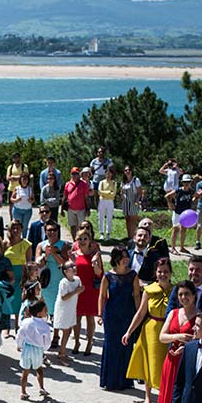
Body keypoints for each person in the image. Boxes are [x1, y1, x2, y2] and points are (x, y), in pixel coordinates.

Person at [153, 280, 199, 403]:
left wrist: (187, 347)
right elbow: (162, 337)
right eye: (180, 294)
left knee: (184, 401)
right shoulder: (173, 313)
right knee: (168, 399)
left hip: (188, 362)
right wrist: (179, 336)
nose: (184, 297)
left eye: (187, 294)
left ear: (194, 295)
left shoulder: (199, 315)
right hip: (171, 361)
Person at [98, 246, 139, 388]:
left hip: (128, 314)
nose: (126, 259)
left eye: (127, 256)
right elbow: (102, 296)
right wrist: (100, 314)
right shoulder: (108, 276)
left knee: (126, 346)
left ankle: (126, 381)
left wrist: (139, 312)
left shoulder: (133, 275)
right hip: (111, 315)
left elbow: (136, 296)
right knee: (111, 346)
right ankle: (109, 380)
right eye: (122, 257)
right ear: (116, 259)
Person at [72, 225, 104, 356]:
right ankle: (77, 341)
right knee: (77, 318)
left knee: (90, 318)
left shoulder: (95, 254)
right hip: (78, 289)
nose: (82, 241)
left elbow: (100, 274)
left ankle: (90, 342)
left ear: (90, 240)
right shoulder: (74, 255)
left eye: (85, 238)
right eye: (80, 238)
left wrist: (96, 266)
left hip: (90, 289)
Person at [17, 300, 52, 400]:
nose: (47, 311)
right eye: (45, 310)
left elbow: (20, 335)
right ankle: (41, 387)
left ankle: (23, 391)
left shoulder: (26, 322)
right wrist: (44, 349)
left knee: (25, 371)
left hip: (27, 348)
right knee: (39, 369)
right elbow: (47, 341)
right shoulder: (45, 326)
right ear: (39, 313)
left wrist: (19, 345)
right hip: (38, 349)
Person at [35, 222, 67, 328]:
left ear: (58, 231)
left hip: (58, 278)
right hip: (46, 280)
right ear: (45, 231)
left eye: (54, 230)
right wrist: (46, 255)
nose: (52, 232)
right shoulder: (41, 245)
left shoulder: (64, 245)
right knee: (45, 303)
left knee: (58, 305)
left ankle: (56, 332)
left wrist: (54, 253)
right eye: (49, 230)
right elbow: (38, 264)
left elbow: (64, 264)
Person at [3, 219, 32, 334]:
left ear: (22, 229)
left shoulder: (26, 244)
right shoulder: (5, 243)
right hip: (7, 273)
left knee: (18, 301)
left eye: (18, 228)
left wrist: (27, 278)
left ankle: (17, 326)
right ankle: (7, 328)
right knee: (7, 300)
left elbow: (29, 262)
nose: (15, 230)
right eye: (13, 228)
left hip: (20, 273)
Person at [53, 262, 83, 364]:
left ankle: (62, 351)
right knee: (66, 331)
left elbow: (80, 289)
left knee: (68, 330)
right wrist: (76, 291)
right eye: (71, 267)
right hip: (63, 309)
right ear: (65, 271)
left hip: (71, 308)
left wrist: (80, 290)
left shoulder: (78, 279)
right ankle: (62, 353)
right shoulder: (63, 282)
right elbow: (64, 297)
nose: (74, 268)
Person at [166, 175, 196, 254]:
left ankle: (182, 247)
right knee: (175, 230)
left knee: (183, 230)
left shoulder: (191, 191)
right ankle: (173, 248)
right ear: (182, 183)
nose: (186, 183)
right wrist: (170, 204)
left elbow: (195, 196)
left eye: (188, 182)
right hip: (177, 213)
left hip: (186, 214)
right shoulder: (178, 190)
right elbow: (167, 196)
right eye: (185, 182)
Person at [119, 166, 144, 239]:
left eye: (129, 170)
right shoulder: (123, 181)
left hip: (134, 201)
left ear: (131, 171)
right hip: (125, 202)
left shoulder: (136, 180)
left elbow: (140, 192)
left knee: (132, 220)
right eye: (125, 170)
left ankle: (133, 237)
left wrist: (137, 201)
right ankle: (129, 237)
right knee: (127, 220)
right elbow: (121, 191)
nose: (127, 171)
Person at [96, 166, 118, 240]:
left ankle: (108, 233)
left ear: (112, 174)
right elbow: (99, 192)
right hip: (102, 200)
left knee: (109, 217)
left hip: (110, 201)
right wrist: (108, 192)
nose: (108, 175)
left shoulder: (114, 183)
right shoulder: (101, 182)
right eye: (107, 173)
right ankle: (101, 233)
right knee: (100, 217)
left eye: (109, 173)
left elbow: (114, 193)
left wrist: (105, 194)